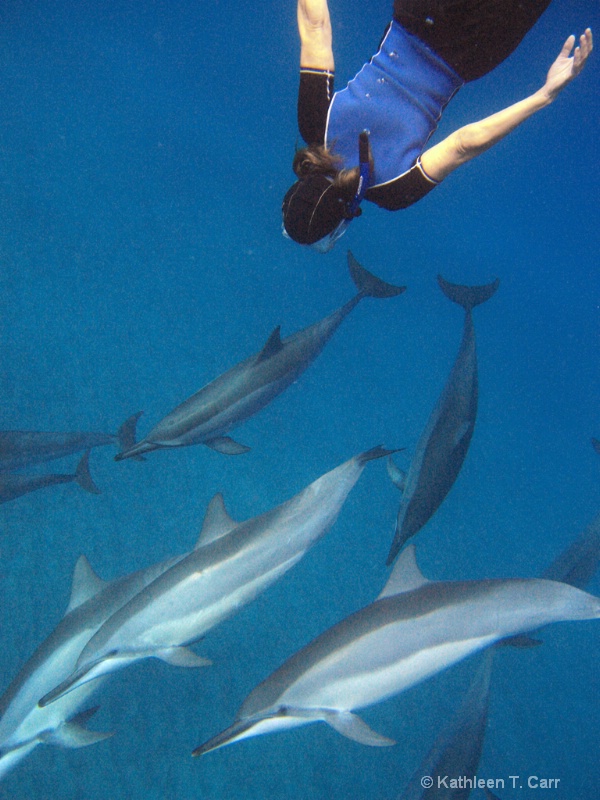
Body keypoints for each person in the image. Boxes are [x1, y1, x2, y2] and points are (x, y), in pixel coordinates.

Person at [282, 0, 593, 251]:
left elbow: (464, 143)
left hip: (475, 45)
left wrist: (544, 95)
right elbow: (315, 27)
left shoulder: (394, 192)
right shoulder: (314, 124)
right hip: (418, 12)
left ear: (340, 222)